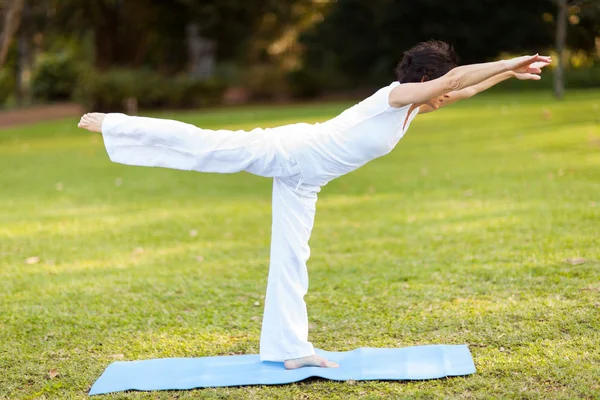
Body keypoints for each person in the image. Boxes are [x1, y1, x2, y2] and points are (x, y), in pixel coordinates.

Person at [78, 41, 550, 370]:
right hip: (292, 151)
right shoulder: (395, 95)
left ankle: (290, 347)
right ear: (426, 78)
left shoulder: (416, 106)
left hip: (306, 181)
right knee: (210, 146)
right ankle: (114, 125)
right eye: (440, 83)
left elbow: (462, 87)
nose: (447, 94)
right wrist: (508, 59)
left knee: (291, 258)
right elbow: (455, 79)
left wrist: (508, 72)